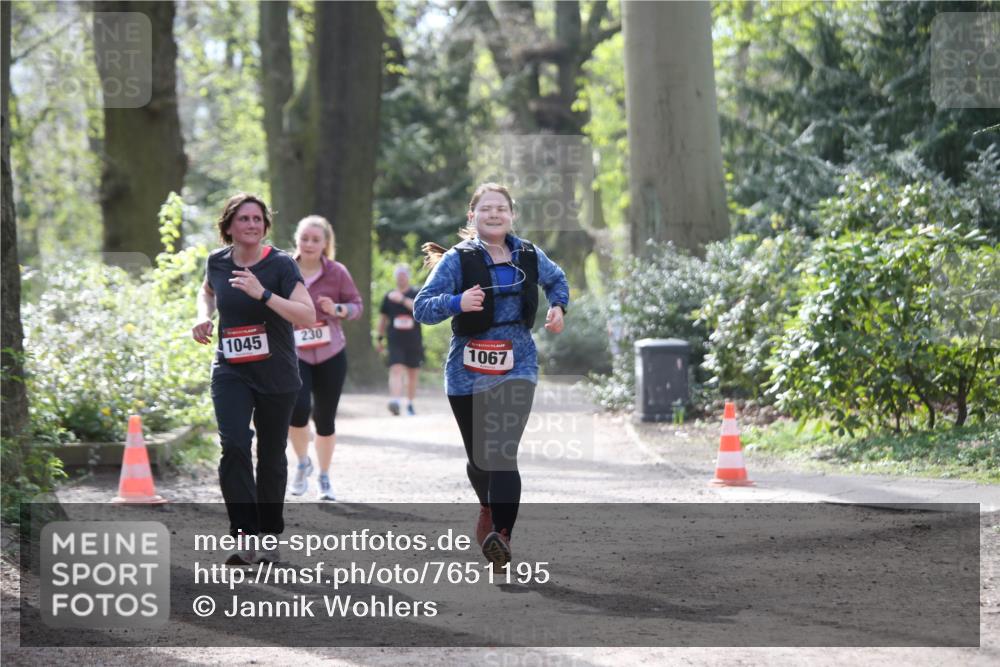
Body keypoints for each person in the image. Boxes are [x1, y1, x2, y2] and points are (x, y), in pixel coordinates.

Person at [414, 182, 569, 571]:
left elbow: (557, 281)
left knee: (501, 452)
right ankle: (486, 504)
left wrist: (559, 308)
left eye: (501, 208)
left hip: (518, 363)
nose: (494, 214)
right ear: (473, 216)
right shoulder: (456, 259)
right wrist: (457, 302)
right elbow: (422, 308)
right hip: (466, 369)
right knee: (480, 458)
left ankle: (501, 536)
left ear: (511, 214)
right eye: (486, 209)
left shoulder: (529, 253)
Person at [191, 193, 316, 566]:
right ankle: (244, 533)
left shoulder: (280, 265)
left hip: (277, 373)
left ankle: (268, 534)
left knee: (272, 456)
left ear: (265, 225)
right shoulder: (217, 262)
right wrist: (203, 316)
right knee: (234, 444)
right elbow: (207, 291)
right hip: (231, 368)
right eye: (243, 219)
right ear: (228, 227)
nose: (251, 224)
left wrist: (263, 294)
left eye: (257, 219)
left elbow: (306, 315)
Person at [287, 215, 363, 501]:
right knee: (297, 409)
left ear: (325, 244)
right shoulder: (285, 268)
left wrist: (338, 309)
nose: (308, 244)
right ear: (297, 239)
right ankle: (302, 463)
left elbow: (357, 306)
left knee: (325, 417)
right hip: (295, 353)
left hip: (331, 353)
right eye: (304, 238)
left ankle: (324, 477)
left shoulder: (337, 272)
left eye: (315, 240)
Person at [376, 264, 424, 416]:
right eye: (399, 274)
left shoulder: (416, 292)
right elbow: (382, 319)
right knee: (396, 369)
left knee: (412, 373)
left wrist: (402, 299)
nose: (401, 277)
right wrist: (379, 337)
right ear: (396, 277)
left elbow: (419, 309)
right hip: (395, 340)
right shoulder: (388, 296)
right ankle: (395, 401)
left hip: (413, 340)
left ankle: (410, 403)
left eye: (404, 274)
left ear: (408, 276)